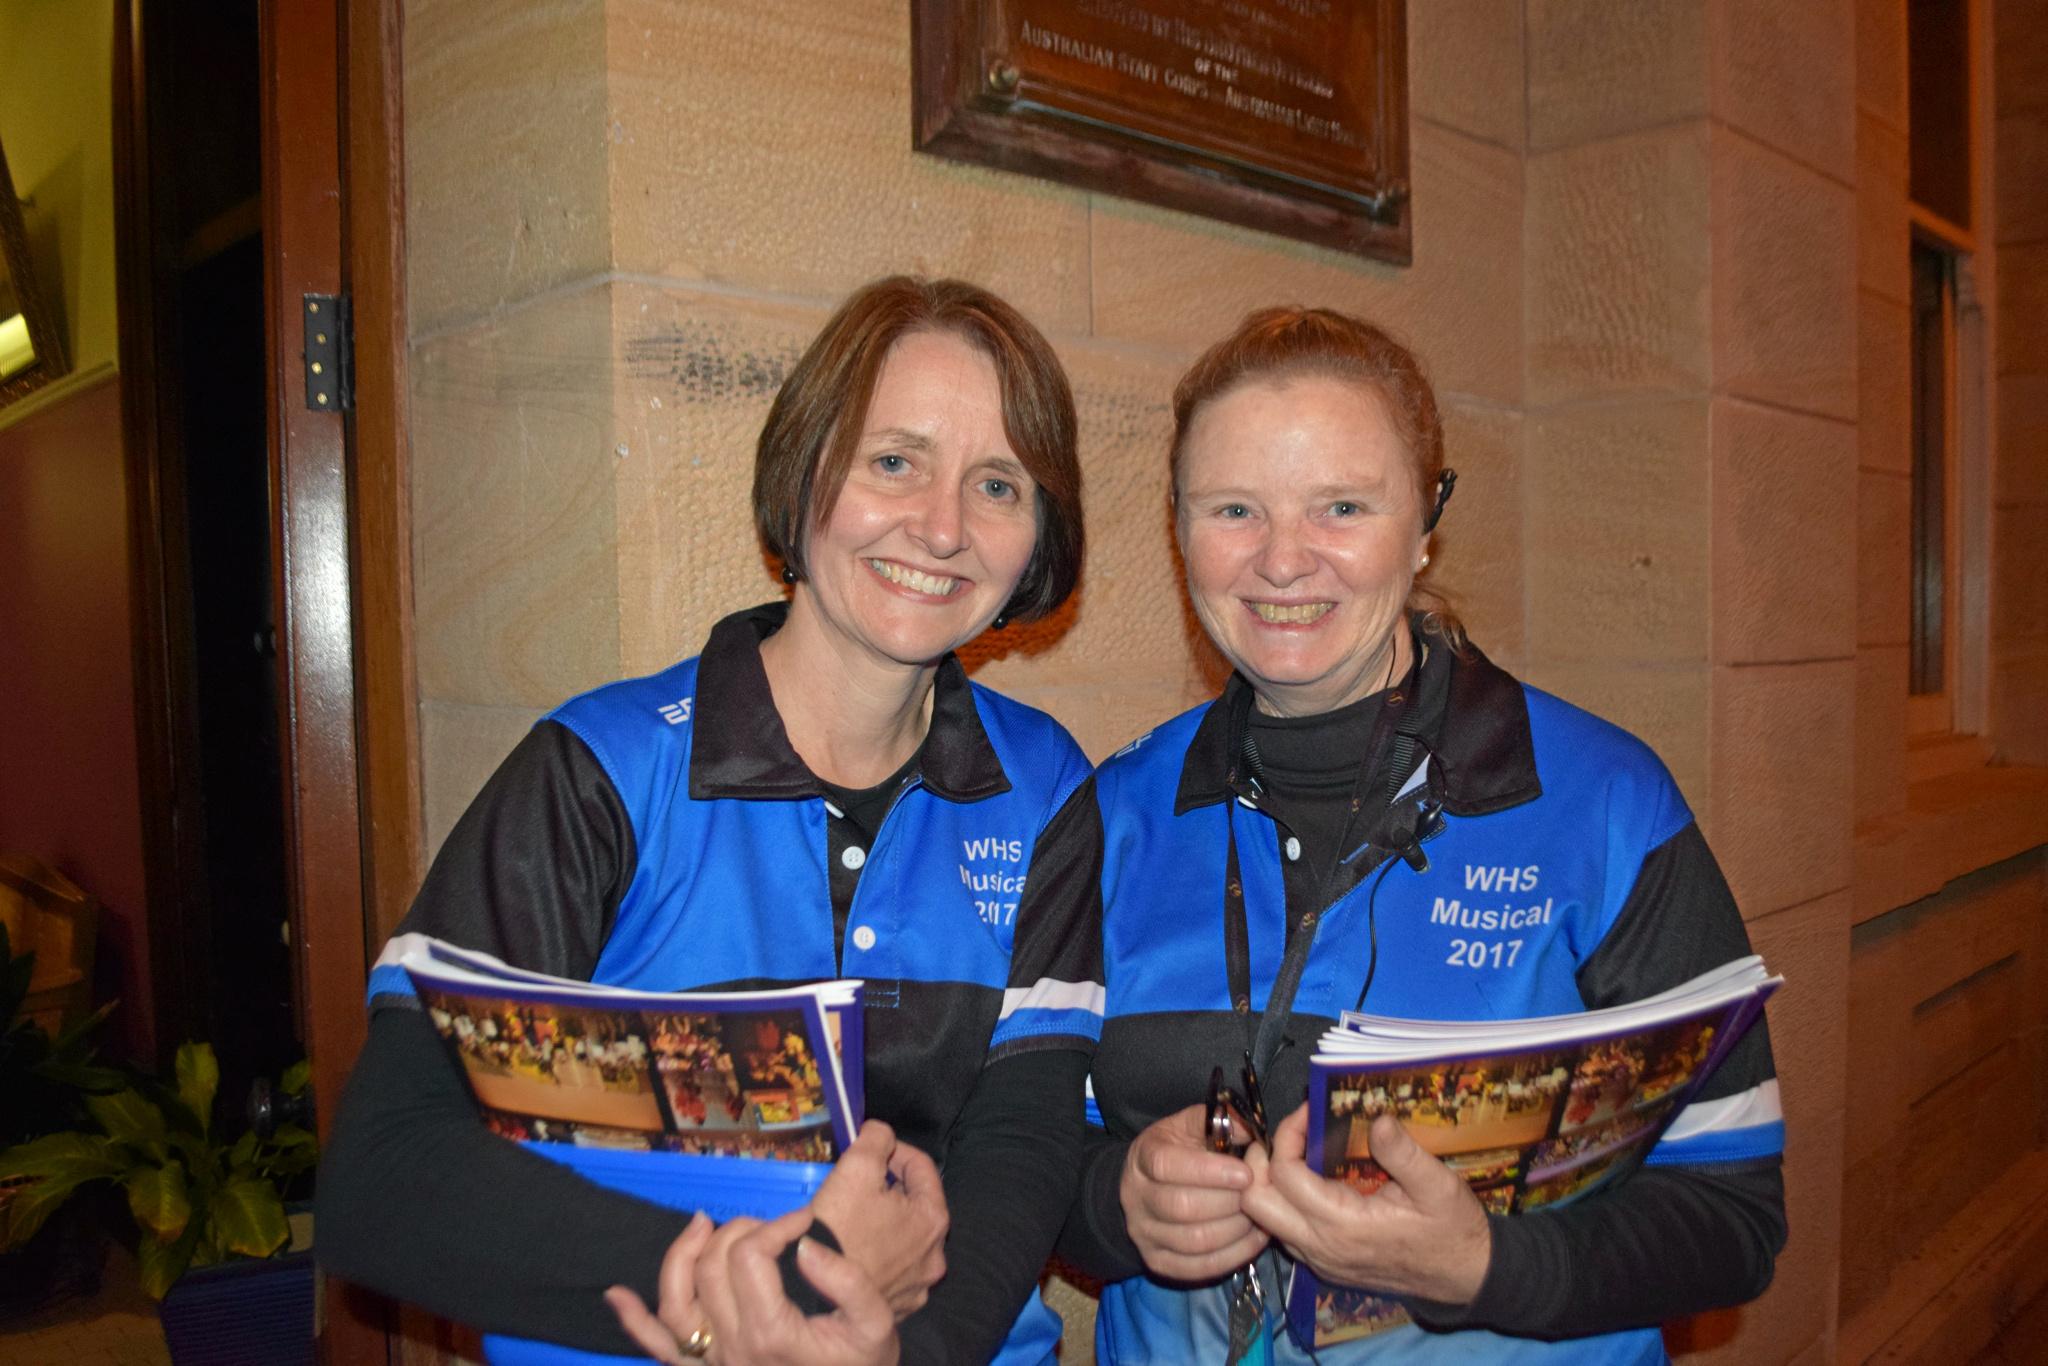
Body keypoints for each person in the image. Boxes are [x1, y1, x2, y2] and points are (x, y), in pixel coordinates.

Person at [318, 276, 1102, 1365]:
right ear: (805, 471)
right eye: (893, 461)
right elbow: (386, 1174)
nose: (940, 525)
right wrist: (768, 1293)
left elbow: (1021, 1143)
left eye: (998, 484)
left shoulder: (1045, 787)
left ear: (1037, 537)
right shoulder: (603, 769)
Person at [1048, 307, 1787, 1362]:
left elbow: (1732, 1216)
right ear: (1178, 528)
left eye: (1341, 506)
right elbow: (1027, 1151)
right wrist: (1115, 1202)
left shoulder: (1603, 805)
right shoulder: (1114, 816)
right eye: (1232, 510)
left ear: (1425, 520)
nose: (1281, 559)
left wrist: (1483, 1266)